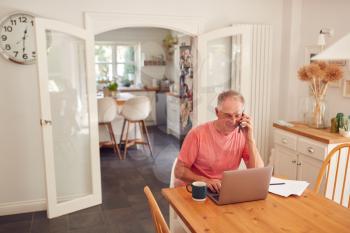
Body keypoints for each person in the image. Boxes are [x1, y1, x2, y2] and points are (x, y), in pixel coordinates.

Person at [174, 90, 264, 193]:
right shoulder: (197, 134)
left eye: (237, 115)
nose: (233, 121)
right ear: (217, 112)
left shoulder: (243, 135)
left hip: (222, 190)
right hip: (194, 189)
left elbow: (259, 173)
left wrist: (250, 138)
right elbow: (179, 171)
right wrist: (205, 181)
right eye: (228, 116)